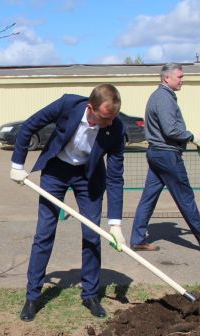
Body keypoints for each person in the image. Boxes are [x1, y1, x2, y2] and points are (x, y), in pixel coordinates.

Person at [10, 84, 126, 322]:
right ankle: (32, 296)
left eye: (113, 117)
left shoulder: (116, 127)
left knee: (93, 235)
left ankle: (90, 294)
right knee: (44, 233)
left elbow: (115, 176)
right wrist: (17, 164)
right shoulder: (68, 105)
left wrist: (115, 223)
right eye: (105, 117)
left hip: (89, 176)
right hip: (56, 171)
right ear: (90, 108)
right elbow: (29, 126)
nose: (110, 123)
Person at [129, 63, 200, 251]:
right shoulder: (164, 98)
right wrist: (192, 137)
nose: (183, 80)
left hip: (157, 153)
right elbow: (170, 129)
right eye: (180, 77)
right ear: (167, 78)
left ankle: (138, 239)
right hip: (167, 154)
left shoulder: (158, 96)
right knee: (185, 196)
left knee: (148, 198)